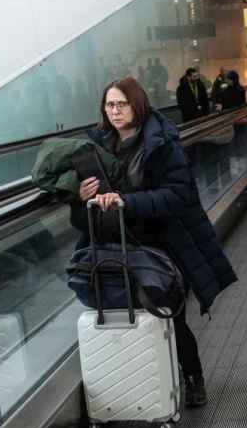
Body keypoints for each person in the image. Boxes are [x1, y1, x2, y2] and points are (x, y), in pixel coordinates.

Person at [72, 77, 237, 407]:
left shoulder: (162, 144)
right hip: (118, 245)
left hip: (163, 244)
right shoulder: (97, 151)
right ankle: (145, 384)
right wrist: (82, 198)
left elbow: (178, 195)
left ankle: (193, 378)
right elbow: (80, 219)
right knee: (126, 316)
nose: (115, 111)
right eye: (110, 105)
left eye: (122, 104)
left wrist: (127, 202)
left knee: (170, 314)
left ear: (138, 104)